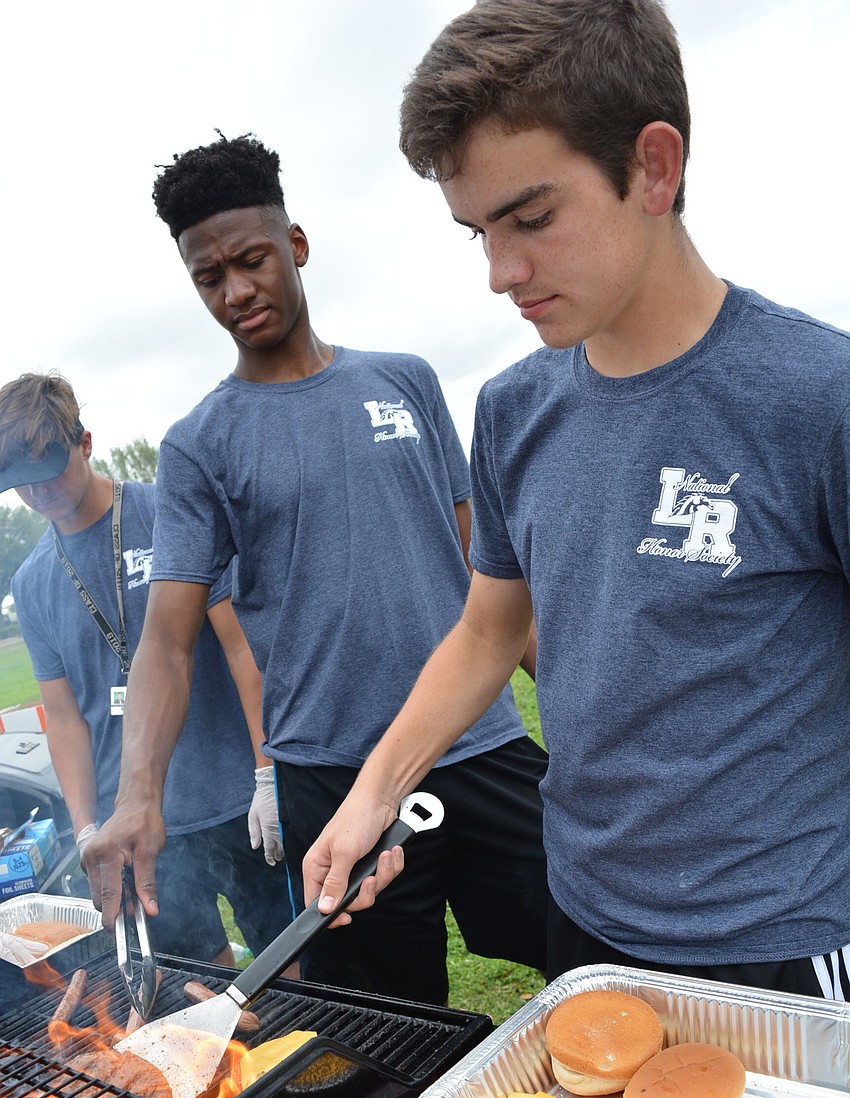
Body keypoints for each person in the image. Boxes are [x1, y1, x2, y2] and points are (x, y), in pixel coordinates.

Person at [302, 0, 850, 1003]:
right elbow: (484, 634)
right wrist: (371, 795)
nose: (501, 273)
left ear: (653, 166)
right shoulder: (514, 410)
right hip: (587, 916)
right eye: (477, 231)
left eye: (532, 218)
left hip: (781, 940)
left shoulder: (816, 398)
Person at [83, 133, 550, 1006]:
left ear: (295, 245)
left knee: (590, 945)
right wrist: (137, 793)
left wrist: (570, 689)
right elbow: (168, 644)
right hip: (331, 776)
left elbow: (486, 569)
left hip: (478, 741)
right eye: (209, 278)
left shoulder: (405, 382)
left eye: (252, 261)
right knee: (384, 1025)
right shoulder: (199, 445)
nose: (236, 292)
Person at [0, 371, 295, 964]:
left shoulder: (169, 513)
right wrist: (86, 828)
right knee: (198, 986)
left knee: (292, 967)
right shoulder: (32, 583)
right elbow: (65, 719)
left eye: (48, 469)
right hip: (138, 822)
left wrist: (267, 776)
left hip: (237, 800)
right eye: (19, 483)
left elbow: (243, 650)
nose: (39, 494)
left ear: (85, 442)